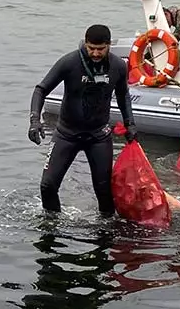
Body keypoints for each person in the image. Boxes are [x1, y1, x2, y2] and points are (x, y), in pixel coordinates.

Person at [28, 24, 137, 217]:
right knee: (48, 185)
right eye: (91, 48)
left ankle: (105, 232)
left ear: (109, 45)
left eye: (100, 49)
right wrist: (35, 120)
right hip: (67, 134)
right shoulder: (70, 63)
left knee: (104, 191)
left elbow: (123, 96)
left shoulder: (118, 66)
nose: (95, 53)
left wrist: (130, 123)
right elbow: (41, 89)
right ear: (85, 44)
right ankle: (52, 224)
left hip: (99, 136)